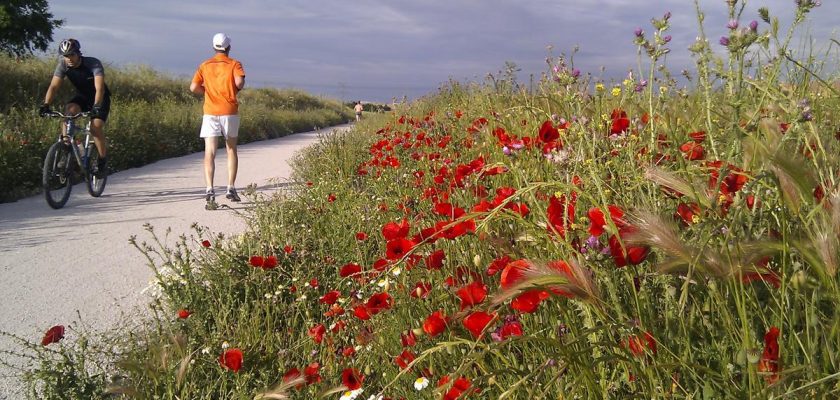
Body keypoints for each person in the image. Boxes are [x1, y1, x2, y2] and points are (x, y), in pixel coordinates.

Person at [40, 38, 111, 177]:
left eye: (72, 54)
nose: (69, 58)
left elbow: (99, 88)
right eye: (65, 56)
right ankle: (67, 150)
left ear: (78, 53)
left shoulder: (92, 63)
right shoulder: (63, 65)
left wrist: (96, 106)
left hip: (100, 98)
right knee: (68, 113)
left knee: (94, 128)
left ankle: (102, 161)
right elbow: (54, 86)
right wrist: (45, 104)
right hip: (83, 97)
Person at [189, 33, 246, 207]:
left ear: (214, 47)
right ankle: (230, 188)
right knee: (231, 149)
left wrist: (206, 91)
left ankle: (210, 189)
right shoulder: (235, 64)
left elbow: (193, 87)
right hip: (229, 111)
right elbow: (239, 83)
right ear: (228, 47)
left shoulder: (204, 65)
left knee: (210, 152)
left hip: (210, 112)